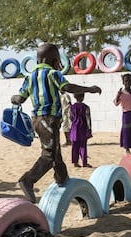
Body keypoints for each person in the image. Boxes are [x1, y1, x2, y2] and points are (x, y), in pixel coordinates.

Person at [11, 42, 101, 203]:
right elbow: (67, 87)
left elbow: (20, 98)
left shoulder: (29, 76)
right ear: (53, 60)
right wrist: (89, 89)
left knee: (56, 152)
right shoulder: (53, 73)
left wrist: (13, 99)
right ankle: (28, 180)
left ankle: (62, 178)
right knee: (49, 155)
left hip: (36, 121)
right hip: (49, 119)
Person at [70, 93, 93, 168]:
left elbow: (70, 117)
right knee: (83, 146)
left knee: (74, 146)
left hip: (74, 128)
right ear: (83, 97)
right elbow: (88, 119)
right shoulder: (86, 107)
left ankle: (75, 162)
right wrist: (89, 129)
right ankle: (84, 162)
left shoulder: (72, 107)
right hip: (83, 127)